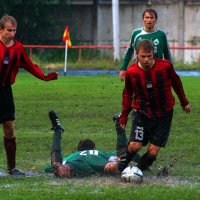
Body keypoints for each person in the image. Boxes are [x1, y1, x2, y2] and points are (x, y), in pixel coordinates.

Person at [117, 39, 190, 173]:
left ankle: (137, 171)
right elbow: (127, 94)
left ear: (153, 54)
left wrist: (184, 102)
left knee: (153, 151)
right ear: (137, 55)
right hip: (142, 113)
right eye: (143, 56)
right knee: (134, 146)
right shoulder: (132, 72)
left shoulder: (165, 66)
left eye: (149, 56)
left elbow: (177, 83)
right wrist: (124, 116)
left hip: (164, 114)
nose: (146, 60)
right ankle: (121, 166)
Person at [0, 15, 58, 176]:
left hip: (5, 92)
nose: (12, 34)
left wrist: (45, 77)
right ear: (1, 30)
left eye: (14, 30)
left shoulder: (17, 48)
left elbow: (29, 65)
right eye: (8, 30)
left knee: (9, 128)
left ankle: (12, 169)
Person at [44, 111, 141, 178]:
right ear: (94, 148)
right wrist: (142, 163)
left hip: (78, 164)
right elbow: (129, 153)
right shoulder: (101, 153)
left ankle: (57, 130)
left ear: (79, 151)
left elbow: (47, 168)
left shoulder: (73, 156)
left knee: (57, 167)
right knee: (117, 164)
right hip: (98, 163)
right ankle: (119, 127)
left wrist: (52, 167)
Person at [119, 8, 173, 81]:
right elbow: (129, 51)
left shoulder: (161, 35)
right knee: (138, 91)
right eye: (147, 17)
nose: (149, 20)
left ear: (155, 19)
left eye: (152, 17)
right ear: (143, 19)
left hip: (157, 70)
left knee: (157, 92)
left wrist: (171, 70)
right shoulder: (136, 34)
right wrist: (123, 68)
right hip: (140, 69)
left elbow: (167, 54)